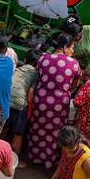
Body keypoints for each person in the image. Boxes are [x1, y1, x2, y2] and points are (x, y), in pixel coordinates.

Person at [28, 34, 81, 169]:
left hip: (40, 100)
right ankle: (48, 162)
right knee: (54, 134)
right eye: (72, 47)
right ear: (64, 47)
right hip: (59, 104)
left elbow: (38, 78)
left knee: (37, 129)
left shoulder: (42, 59)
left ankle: (34, 158)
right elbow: (75, 84)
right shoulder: (73, 64)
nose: (72, 51)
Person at [8, 49, 41, 159]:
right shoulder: (36, 73)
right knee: (18, 133)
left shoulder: (18, 69)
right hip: (19, 103)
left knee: (4, 126)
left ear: (25, 60)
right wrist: (29, 106)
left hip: (6, 98)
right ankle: (14, 159)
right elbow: (31, 92)